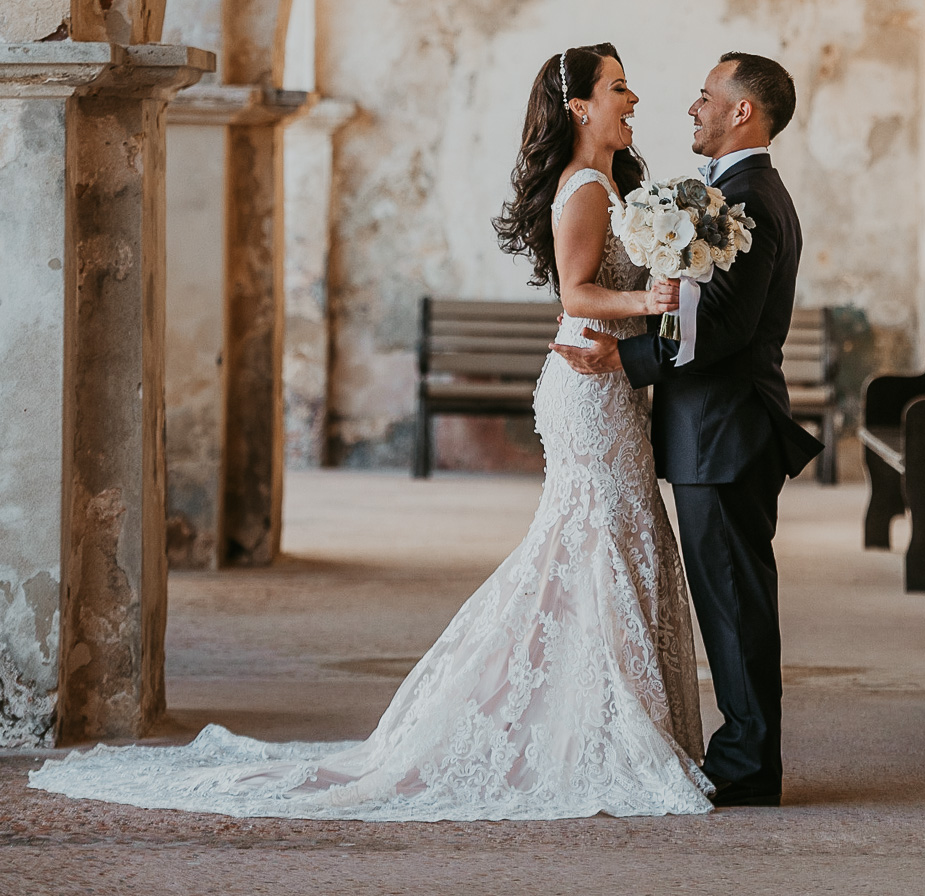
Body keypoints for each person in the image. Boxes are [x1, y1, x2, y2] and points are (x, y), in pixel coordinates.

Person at [30, 43, 710, 823]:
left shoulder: (615, 183)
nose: (634, 98)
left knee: (610, 542)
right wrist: (649, 305)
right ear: (579, 107)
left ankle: (607, 723)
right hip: (587, 391)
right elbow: (578, 291)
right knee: (595, 543)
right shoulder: (586, 186)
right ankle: (596, 733)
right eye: (619, 87)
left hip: (606, 385)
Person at [554, 51, 820, 808]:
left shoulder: (750, 198)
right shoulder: (731, 190)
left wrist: (623, 354)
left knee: (733, 602)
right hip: (713, 430)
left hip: (725, 432)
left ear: (743, 112)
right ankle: (742, 752)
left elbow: (722, 329)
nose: (692, 108)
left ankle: (746, 764)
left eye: (707, 97)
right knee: (728, 598)